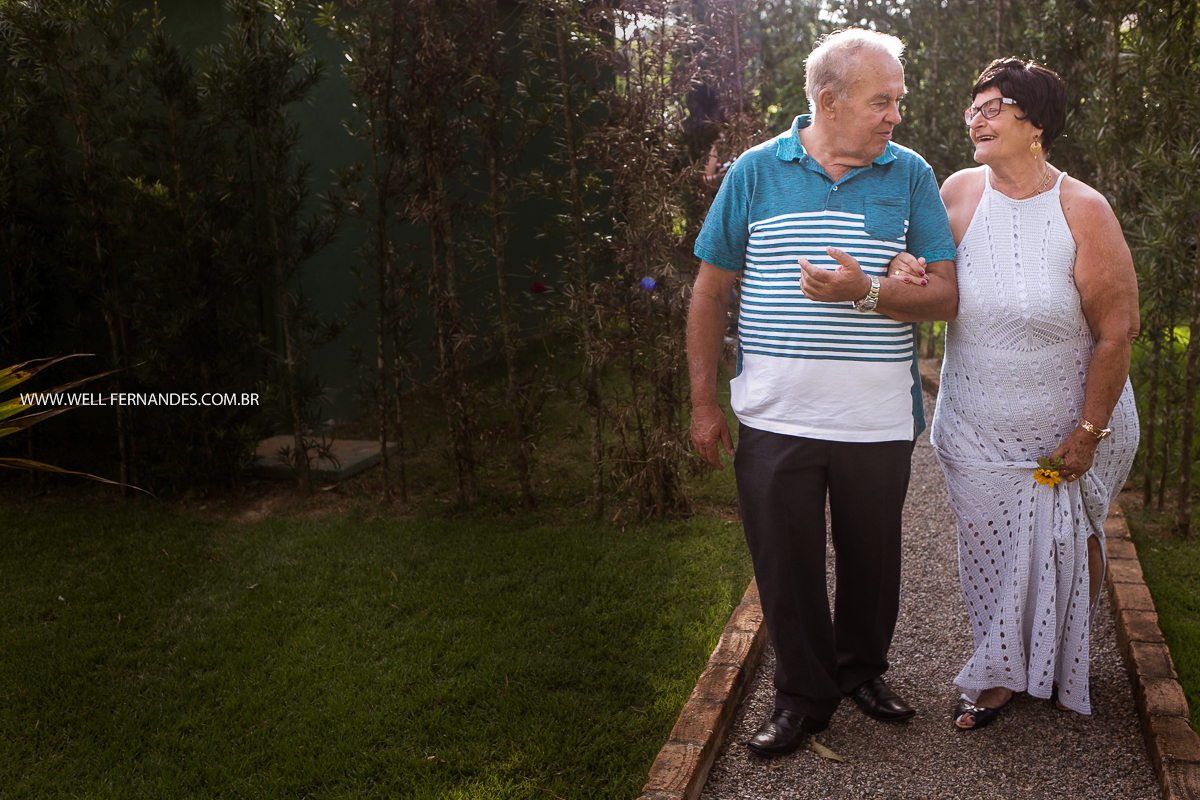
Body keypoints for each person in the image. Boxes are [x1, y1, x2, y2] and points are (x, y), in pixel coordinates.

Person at [687, 28, 959, 757]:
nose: (895, 115)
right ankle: (803, 698)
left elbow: (947, 297)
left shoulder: (910, 175)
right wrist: (705, 404)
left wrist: (869, 292)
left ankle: (861, 671)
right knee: (787, 564)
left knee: (873, 561)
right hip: (775, 418)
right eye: (882, 101)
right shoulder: (753, 171)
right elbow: (711, 290)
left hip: (875, 419)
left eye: (898, 100)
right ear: (828, 102)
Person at [889, 58, 1140, 729]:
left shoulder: (1083, 210)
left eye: (993, 105)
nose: (977, 116)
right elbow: (924, 275)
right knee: (989, 544)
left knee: (1070, 536)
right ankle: (999, 672)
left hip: (1073, 423)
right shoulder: (958, 192)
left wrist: (1087, 432)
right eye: (974, 104)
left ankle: (1056, 660)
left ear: (1036, 125)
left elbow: (1117, 332)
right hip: (973, 425)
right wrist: (905, 267)